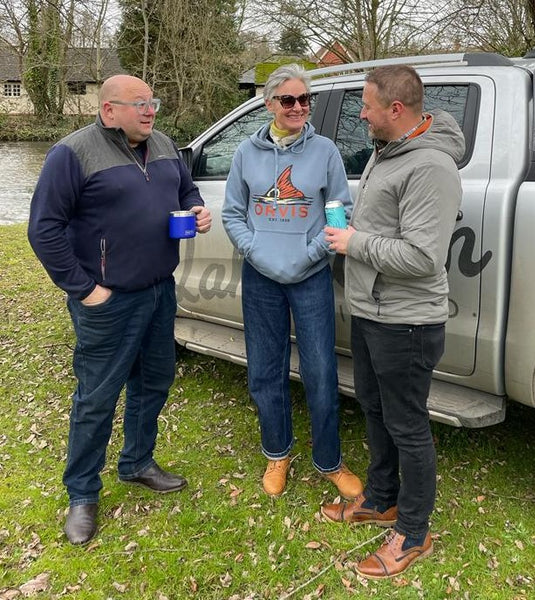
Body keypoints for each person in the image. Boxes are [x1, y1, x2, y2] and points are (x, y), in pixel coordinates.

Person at [28, 74, 212, 546]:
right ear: (109, 110)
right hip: (108, 301)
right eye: (139, 104)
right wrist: (85, 289)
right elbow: (44, 229)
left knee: (154, 381)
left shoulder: (165, 144)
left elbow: (185, 191)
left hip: (158, 291)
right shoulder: (73, 153)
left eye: (153, 101)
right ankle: (83, 494)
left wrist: (197, 209)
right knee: (97, 397)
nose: (150, 110)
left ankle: (137, 462)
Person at [321, 65, 465, 579]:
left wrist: (353, 242)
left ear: (396, 109)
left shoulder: (429, 167)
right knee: (375, 408)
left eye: (366, 104)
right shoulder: (390, 153)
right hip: (372, 311)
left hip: (405, 321)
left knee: (407, 424)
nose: (360, 113)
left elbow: (425, 257)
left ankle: (414, 531)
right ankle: (381, 498)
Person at [222, 64, 362, 500]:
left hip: (311, 277)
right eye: (288, 100)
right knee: (266, 371)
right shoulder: (246, 153)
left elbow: (341, 213)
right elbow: (231, 214)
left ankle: (329, 461)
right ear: (270, 105)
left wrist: (310, 254)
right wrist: (257, 251)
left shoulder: (325, 152)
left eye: (305, 99)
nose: (299, 107)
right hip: (261, 278)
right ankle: (277, 453)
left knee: (320, 371)